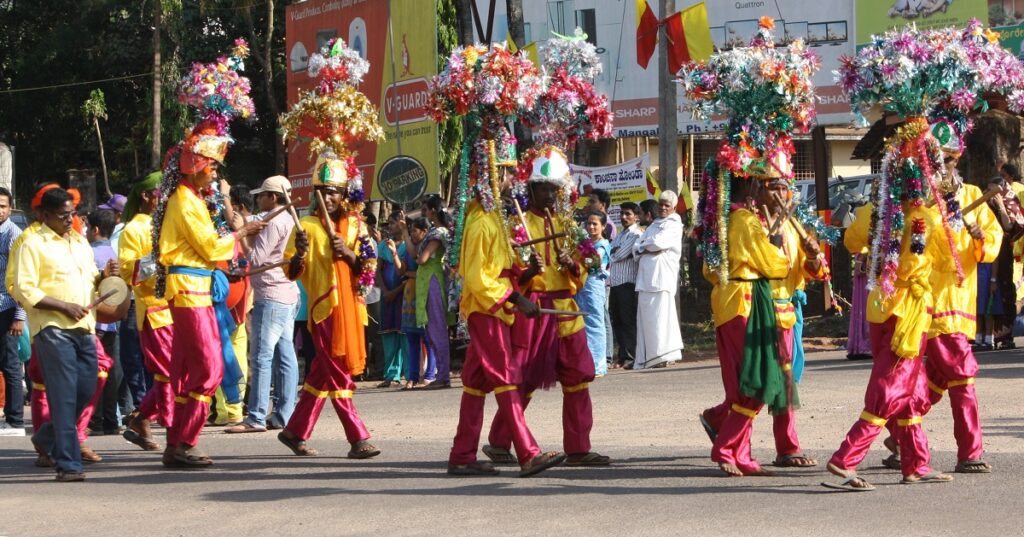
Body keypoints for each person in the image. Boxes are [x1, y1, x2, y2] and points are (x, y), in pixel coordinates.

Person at [685, 18, 817, 477]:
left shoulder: (763, 217)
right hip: (744, 301)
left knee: (768, 382)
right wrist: (784, 234)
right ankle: (726, 450)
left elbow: (794, 265)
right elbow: (772, 262)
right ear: (756, 187)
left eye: (783, 186)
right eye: (773, 185)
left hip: (770, 304)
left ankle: (736, 448)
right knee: (754, 383)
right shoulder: (742, 219)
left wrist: (813, 256)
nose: (781, 193)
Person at [825, 116, 955, 490]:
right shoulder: (924, 219)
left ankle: (916, 463)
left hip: (882, 306)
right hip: (907, 313)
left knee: (912, 393)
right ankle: (846, 457)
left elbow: (852, 241)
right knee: (892, 386)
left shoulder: (877, 211)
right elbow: (929, 265)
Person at [153, 44, 265, 467]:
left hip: (194, 289)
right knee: (208, 370)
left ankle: (177, 442)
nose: (216, 174)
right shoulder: (185, 200)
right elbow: (209, 245)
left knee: (188, 371)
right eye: (214, 166)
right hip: (191, 289)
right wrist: (241, 231)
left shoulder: (191, 197)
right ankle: (184, 440)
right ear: (198, 165)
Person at [486, 146, 610, 468]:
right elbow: (510, 275)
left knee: (579, 376)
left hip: (566, 308)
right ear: (531, 189)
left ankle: (579, 447)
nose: (550, 195)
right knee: (525, 377)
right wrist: (528, 274)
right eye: (544, 189)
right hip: (536, 309)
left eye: (555, 189)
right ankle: (499, 440)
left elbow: (587, 268)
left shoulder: (568, 226)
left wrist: (573, 265)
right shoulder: (517, 225)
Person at [448, 150, 564, 477]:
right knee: (505, 376)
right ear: (491, 179)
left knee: (474, 382)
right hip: (486, 307)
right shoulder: (482, 222)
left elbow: (502, 270)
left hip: (493, 306)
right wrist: (515, 298)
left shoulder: (497, 220)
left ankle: (462, 454)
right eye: (506, 174)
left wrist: (524, 275)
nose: (513, 181)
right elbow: (477, 277)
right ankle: (528, 452)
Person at [276, 153, 380, 460]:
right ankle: (358, 436)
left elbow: (369, 265)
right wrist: (298, 255)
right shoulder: (306, 226)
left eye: (333, 191)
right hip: (325, 308)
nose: (327, 197)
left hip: (351, 306)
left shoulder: (356, 226)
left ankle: (295, 431)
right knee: (337, 372)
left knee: (324, 372)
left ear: (344, 193)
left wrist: (347, 252)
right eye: (322, 191)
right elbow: (291, 270)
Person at [14, 187, 119, 481]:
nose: (69, 220)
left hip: (84, 326)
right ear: (43, 215)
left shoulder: (79, 242)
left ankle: (46, 436)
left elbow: (88, 279)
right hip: (52, 328)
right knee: (63, 397)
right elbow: (24, 288)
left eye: (72, 214)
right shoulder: (32, 243)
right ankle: (68, 464)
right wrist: (63, 306)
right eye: (62, 215)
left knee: (85, 389)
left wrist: (105, 276)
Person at [226, 176, 301, 434]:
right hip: (285, 295)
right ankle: (283, 414)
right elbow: (247, 220)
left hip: (271, 295)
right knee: (285, 355)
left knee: (261, 356)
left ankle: (256, 416)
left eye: (262, 196)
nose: (257, 200)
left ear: (274, 197)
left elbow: (256, 259)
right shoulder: (288, 218)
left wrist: (243, 237)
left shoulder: (276, 222)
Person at [118, 171, 172, 451]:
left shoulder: (164, 223)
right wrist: (162, 258)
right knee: (167, 373)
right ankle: (175, 434)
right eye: (161, 192)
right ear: (146, 195)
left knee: (175, 373)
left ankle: (141, 418)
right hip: (153, 310)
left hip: (177, 307)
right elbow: (130, 272)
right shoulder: (133, 229)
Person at [632, 191, 684, 369]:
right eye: (660, 204)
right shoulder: (654, 224)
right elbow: (637, 246)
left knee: (661, 317)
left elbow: (658, 244)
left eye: (666, 205)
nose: (662, 208)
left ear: (674, 208)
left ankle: (663, 355)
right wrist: (645, 247)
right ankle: (650, 356)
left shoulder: (674, 225)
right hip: (646, 277)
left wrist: (645, 247)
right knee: (647, 318)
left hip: (661, 277)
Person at [86, 209, 124, 436]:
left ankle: (96, 421)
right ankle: (111, 421)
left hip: (96, 321)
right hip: (111, 322)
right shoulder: (113, 252)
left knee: (94, 372)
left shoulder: (88, 253)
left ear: (95, 229)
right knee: (109, 372)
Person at [416, 194, 454, 389]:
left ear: (432, 211)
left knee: (437, 329)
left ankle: (443, 375)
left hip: (433, 282)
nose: (424, 213)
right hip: (430, 281)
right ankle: (441, 373)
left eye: (425, 209)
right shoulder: (437, 230)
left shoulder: (438, 232)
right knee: (433, 329)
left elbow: (423, 259)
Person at [0, 186, 26, 437]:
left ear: (10, 208)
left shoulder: (14, 235)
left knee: (11, 364)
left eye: (3, 206)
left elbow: (21, 280)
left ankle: (16, 420)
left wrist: (19, 317)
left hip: (8, 308)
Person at [401, 218, 435, 388]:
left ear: (424, 231)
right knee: (412, 337)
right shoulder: (408, 248)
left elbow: (422, 267)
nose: (412, 234)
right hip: (409, 295)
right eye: (411, 231)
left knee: (428, 337)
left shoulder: (430, 245)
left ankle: (429, 374)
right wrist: (394, 254)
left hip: (426, 292)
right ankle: (413, 376)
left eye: (415, 230)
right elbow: (402, 269)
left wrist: (410, 273)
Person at [607, 202, 641, 370]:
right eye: (622, 213)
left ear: (636, 216)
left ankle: (630, 355)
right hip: (615, 282)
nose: (623, 217)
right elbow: (611, 251)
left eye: (628, 214)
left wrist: (615, 253)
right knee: (617, 321)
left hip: (628, 282)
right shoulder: (621, 235)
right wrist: (614, 252)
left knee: (628, 321)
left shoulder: (635, 234)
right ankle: (622, 356)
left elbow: (618, 254)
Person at [376, 210, 408, 388]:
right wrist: (385, 290)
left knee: (404, 333)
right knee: (388, 333)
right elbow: (377, 271)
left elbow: (409, 271)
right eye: (388, 223)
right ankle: (391, 374)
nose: (389, 226)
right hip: (387, 295)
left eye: (393, 222)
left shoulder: (408, 245)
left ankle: (409, 373)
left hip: (403, 293)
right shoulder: (383, 245)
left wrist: (395, 291)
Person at [576, 211, 610, 376]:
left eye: (595, 224)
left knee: (595, 323)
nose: (591, 227)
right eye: (589, 223)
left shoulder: (602, 244)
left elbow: (594, 262)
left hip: (594, 286)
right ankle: (585, 363)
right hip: (582, 286)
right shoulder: (585, 243)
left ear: (603, 226)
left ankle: (598, 365)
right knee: (582, 324)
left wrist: (578, 260)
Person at [844, 203, 873, 361]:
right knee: (868, 302)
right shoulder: (870, 212)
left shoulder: (864, 211)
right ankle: (867, 343)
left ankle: (862, 344)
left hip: (867, 262)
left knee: (864, 303)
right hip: (871, 264)